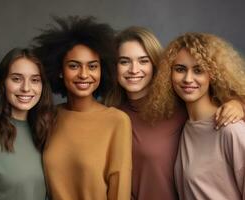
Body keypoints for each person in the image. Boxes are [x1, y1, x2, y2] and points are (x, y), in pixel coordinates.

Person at [104, 27, 245, 200]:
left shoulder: (184, 110)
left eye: (143, 60)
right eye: (124, 61)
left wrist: (239, 104)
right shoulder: (111, 116)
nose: (134, 69)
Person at [33, 16, 132, 200]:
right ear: (60, 71)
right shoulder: (49, 116)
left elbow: (120, 190)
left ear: (103, 70)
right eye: (74, 66)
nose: (84, 74)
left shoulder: (117, 121)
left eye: (92, 66)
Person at [155, 32, 245, 200]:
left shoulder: (231, 129)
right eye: (180, 69)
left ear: (213, 75)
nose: (188, 79)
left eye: (198, 70)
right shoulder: (185, 126)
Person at [0, 48, 56, 200]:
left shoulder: (45, 128)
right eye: (16, 79)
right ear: (3, 83)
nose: (26, 88)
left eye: (35, 80)